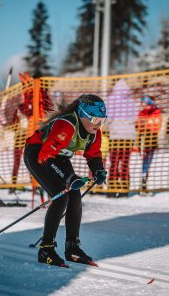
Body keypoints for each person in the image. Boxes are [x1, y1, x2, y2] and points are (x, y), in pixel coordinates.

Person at [23, 94, 107, 267]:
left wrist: (98, 171)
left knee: (74, 194)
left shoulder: (94, 132)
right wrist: (68, 178)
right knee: (60, 196)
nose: (98, 124)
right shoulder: (66, 125)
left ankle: (73, 248)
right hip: (38, 154)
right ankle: (46, 248)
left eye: (102, 120)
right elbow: (45, 157)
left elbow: (93, 155)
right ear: (82, 115)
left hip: (57, 157)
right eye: (95, 119)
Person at [106, 79, 138, 198]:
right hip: (128, 137)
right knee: (125, 163)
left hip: (115, 136)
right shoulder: (132, 100)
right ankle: (124, 191)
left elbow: (107, 118)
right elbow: (135, 118)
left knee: (114, 163)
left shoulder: (111, 99)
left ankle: (111, 190)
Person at [136, 95, 162, 196]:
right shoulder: (142, 113)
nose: (143, 105)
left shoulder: (156, 112)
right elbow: (138, 126)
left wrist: (144, 124)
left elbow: (156, 126)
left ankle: (144, 185)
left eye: (145, 103)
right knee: (144, 162)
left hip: (151, 139)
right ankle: (142, 185)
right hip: (142, 139)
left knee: (147, 162)